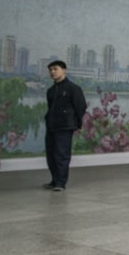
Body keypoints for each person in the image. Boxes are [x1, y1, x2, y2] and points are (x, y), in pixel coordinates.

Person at [42, 60, 87, 192]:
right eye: (50, 70)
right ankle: (54, 180)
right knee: (51, 154)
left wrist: (76, 123)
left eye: (55, 69)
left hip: (65, 127)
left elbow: (81, 107)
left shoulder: (73, 88)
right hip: (51, 126)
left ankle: (61, 182)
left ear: (64, 70)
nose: (52, 72)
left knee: (61, 154)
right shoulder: (50, 91)